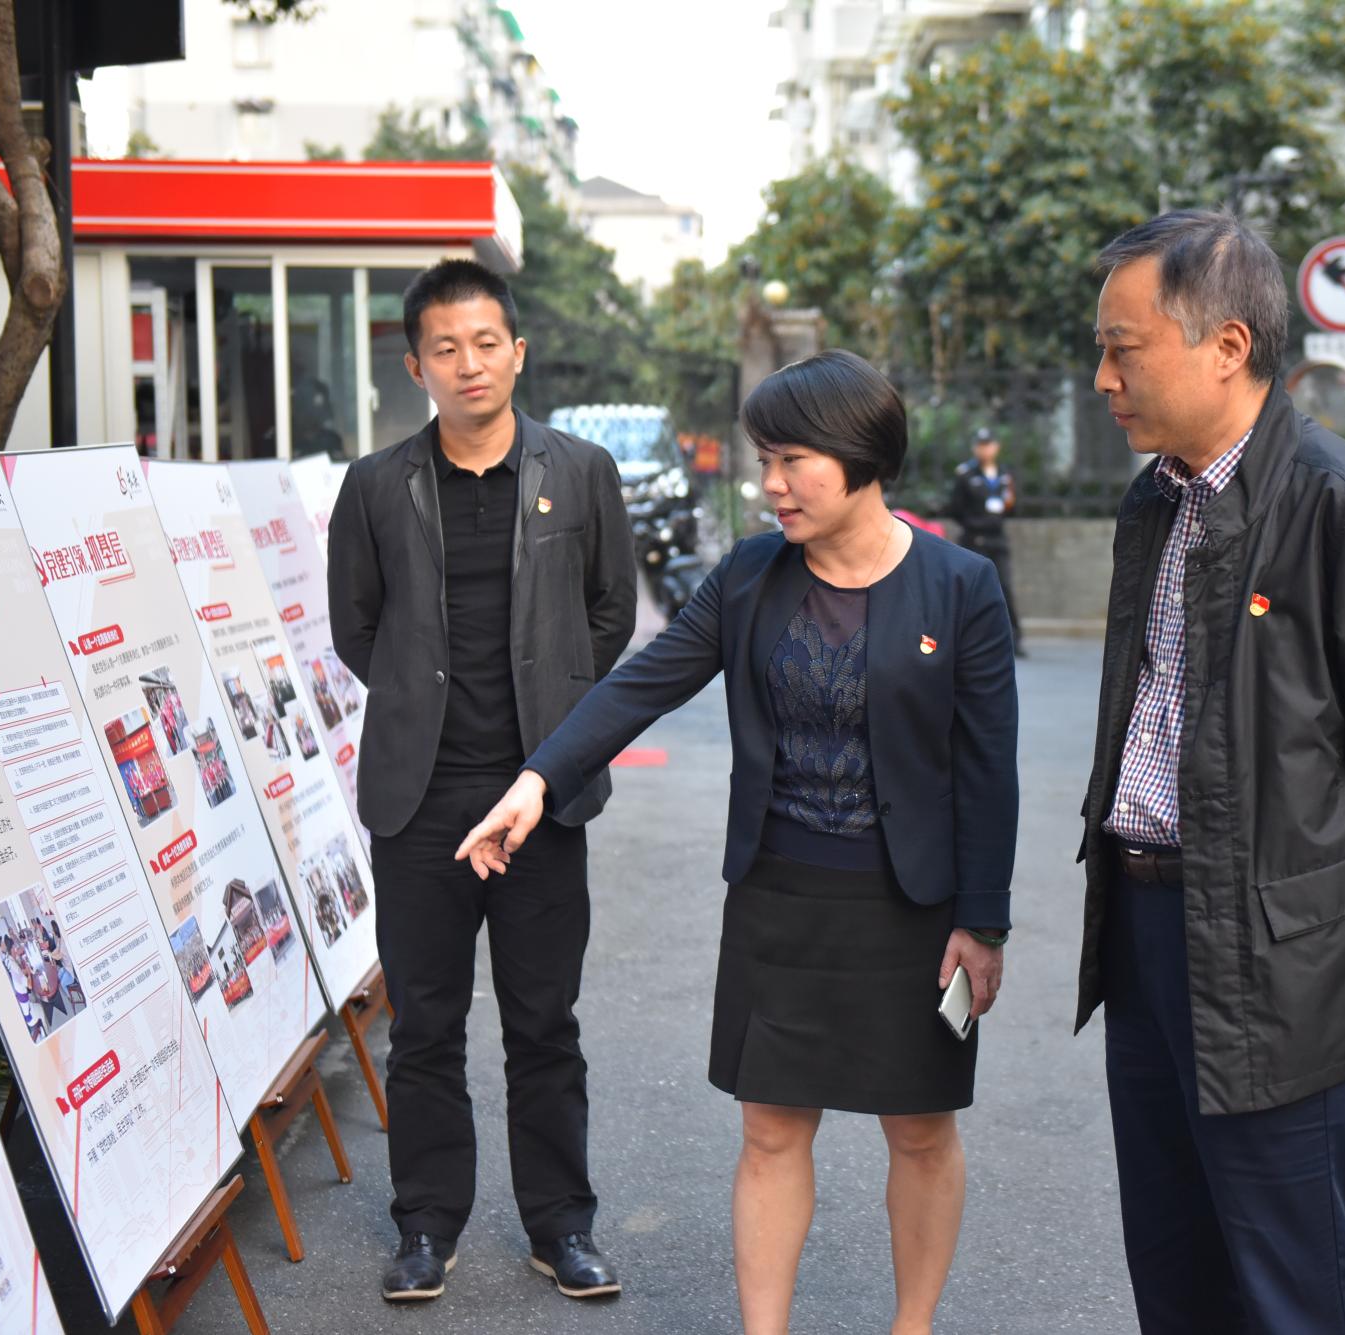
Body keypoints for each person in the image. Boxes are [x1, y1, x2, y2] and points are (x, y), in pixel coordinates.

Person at [456, 349, 1017, 1335]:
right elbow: (641, 684)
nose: (769, 486)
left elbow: (986, 770)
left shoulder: (959, 585)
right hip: (779, 895)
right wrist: (537, 781)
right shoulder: (751, 577)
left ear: (858, 455)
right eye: (765, 461)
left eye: (791, 461)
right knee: (769, 1131)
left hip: (915, 911)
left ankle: (913, 1324)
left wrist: (983, 922)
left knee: (922, 1132)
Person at [1074, 210, 1345, 1332]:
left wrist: (1311, 918)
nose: (1103, 377)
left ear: (1228, 346)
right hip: (1141, 928)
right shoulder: (1155, 499)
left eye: (1122, 347)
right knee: (1175, 1267)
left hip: (1278, 958)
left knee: (1294, 1287)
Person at [327, 258, 638, 1304]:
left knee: (544, 1021)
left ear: (518, 351)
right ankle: (426, 1224)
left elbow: (608, 613)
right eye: (446, 348)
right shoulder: (376, 485)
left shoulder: (581, 471)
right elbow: (358, 628)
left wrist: (553, 734)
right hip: (420, 801)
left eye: (486, 343)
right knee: (424, 1026)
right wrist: (424, 706)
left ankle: (562, 1225)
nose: (470, 364)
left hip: (542, 794)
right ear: (416, 366)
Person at [947, 426, 1024, 655]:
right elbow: (955, 508)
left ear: (996, 447)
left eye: (988, 445)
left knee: (1004, 588)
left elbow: (1013, 506)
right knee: (967, 591)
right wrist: (975, 523)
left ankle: (1013, 640)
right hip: (973, 540)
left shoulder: (1004, 474)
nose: (985, 450)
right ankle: (961, 641)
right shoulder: (966, 474)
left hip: (997, 539)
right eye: (980, 445)